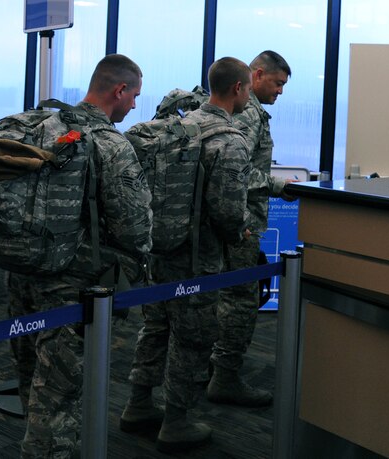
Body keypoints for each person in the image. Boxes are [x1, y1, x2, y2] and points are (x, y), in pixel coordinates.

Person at [6, 54, 152, 458]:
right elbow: (134, 227)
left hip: (20, 270)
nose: (134, 106)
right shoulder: (109, 142)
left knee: (31, 372)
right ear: (119, 90)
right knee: (59, 396)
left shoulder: (37, 125)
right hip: (73, 287)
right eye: (134, 95)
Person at [122, 57, 252, 453]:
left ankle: (138, 403)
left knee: (156, 325)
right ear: (239, 89)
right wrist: (239, 232)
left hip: (158, 246)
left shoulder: (177, 126)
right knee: (193, 337)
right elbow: (228, 210)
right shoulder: (228, 139)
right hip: (197, 256)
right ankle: (177, 421)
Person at [207, 50, 293, 408]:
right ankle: (224, 377)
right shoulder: (247, 115)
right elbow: (232, 171)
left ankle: (214, 371)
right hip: (239, 223)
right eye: (277, 83)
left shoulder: (248, 111)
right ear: (256, 76)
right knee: (240, 301)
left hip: (233, 221)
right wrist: (277, 185)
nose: (280, 91)